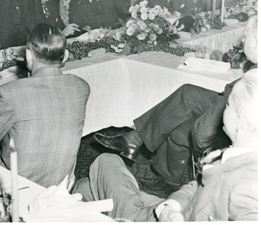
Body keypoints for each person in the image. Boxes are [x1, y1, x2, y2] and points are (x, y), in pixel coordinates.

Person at [92, 14, 257, 199]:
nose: (242, 38)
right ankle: (136, 138)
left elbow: (202, 136)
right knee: (187, 93)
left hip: (240, 111)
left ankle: (167, 180)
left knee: (180, 128)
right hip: (232, 98)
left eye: (246, 35)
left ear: (257, 41)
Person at [76, 70, 258, 221]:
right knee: (84, 187)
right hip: (179, 209)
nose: (221, 109)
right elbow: (197, 187)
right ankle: (135, 139)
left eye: (227, 105)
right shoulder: (234, 155)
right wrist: (170, 206)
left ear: (240, 120)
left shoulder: (247, 186)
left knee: (105, 161)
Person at [0, 23, 90, 188]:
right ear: (65, 56)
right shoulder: (81, 87)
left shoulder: (9, 94)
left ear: (29, 56)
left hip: (20, 190)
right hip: (60, 187)